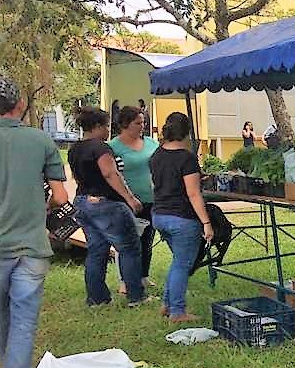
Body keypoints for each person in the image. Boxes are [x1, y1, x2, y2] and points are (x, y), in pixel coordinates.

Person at [0, 73, 68, 368]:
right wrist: (41, 208)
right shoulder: (40, 140)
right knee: (23, 322)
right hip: (30, 247)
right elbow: (60, 196)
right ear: (20, 104)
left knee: (1, 321)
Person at [68, 106, 146, 308]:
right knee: (129, 248)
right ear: (97, 126)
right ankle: (136, 296)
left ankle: (97, 298)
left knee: (96, 250)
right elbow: (111, 174)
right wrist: (130, 198)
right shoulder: (101, 148)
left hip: (83, 202)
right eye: (106, 126)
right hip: (107, 204)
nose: (108, 131)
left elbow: (77, 177)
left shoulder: (74, 149)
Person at [150, 112, 214, 323]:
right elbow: (193, 194)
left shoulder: (157, 155)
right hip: (182, 218)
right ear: (187, 132)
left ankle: (167, 305)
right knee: (182, 265)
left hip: (159, 214)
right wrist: (206, 222)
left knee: (178, 261)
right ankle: (177, 312)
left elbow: (162, 182)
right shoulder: (186, 158)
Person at [110, 106, 157, 290]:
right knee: (128, 241)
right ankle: (125, 280)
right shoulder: (114, 147)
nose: (142, 126)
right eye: (138, 123)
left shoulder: (152, 143)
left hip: (151, 198)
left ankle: (144, 275)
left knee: (147, 239)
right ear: (125, 124)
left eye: (143, 122)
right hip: (126, 201)